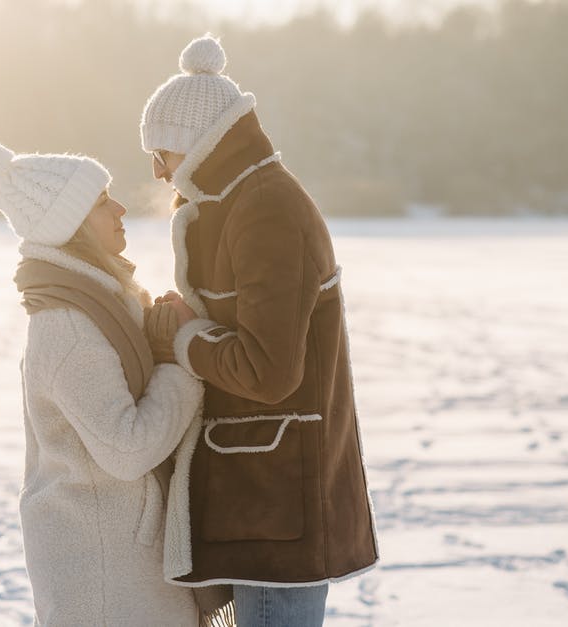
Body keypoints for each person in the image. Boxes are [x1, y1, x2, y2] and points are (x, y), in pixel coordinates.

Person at [139, 35, 381, 627]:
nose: (157, 170)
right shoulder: (236, 203)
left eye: (161, 153)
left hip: (279, 502)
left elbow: (268, 372)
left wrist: (184, 340)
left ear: (194, 145)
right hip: (259, 494)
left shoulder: (267, 209)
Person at [0, 140, 207, 626]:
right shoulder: (69, 327)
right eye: (100, 204)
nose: (119, 209)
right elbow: (128, 449)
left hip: (123, 563)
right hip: (102, 576)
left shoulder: (108, 303)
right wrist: (180, 363)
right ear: (69, 228)